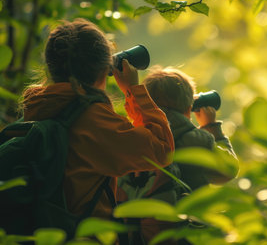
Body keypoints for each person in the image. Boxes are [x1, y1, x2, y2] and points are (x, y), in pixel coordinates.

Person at [21, 19, 174, 223]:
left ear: (51, 67)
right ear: (105, 69)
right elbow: (162, 150)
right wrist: (133, 91)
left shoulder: (36, 109)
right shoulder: (95, 121)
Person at [118, 66, 238, 244]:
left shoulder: (135, 136)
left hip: (143, 235)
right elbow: (228, 171)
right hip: (188, 234)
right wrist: (211, 127)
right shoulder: (197, 140)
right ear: (189, 108)